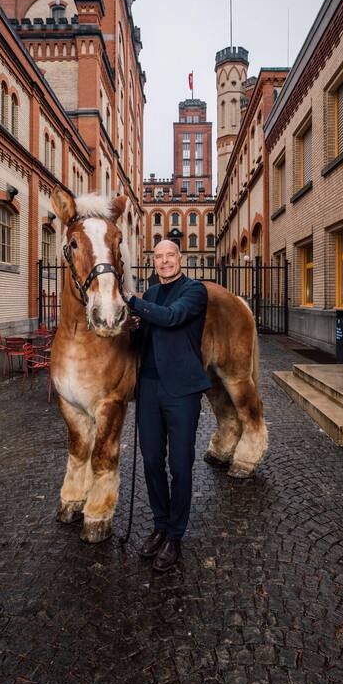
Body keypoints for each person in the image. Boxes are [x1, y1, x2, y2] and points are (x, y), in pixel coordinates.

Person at [123, 240, 210, 572]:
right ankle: (160, 525)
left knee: (180, 465)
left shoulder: (195, 290)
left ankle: (175, 535)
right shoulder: (151, 295)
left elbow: (172, 319)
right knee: (150, 460)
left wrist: (132, 301)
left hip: (183, 392)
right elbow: (144, 338)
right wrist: (132, 328)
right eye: (158, 257)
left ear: (180, 259)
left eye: (169, 256)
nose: (164, 262)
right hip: (149, 388)